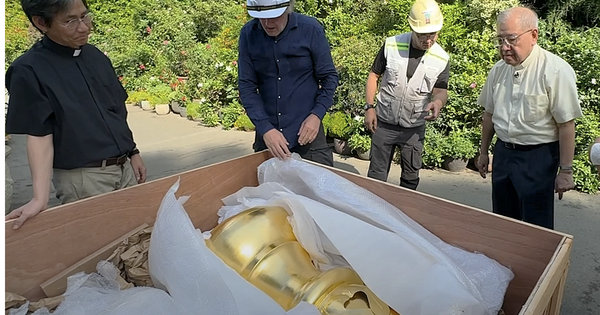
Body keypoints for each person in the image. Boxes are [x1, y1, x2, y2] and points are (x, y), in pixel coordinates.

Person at [5, 0, 147, 230]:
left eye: (85, 16)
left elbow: (115, 110)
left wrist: (133, 152)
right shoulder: (28, 70)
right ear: (41, 23)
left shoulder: (94, 56)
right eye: (70, 21)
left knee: (139, 240)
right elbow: (39, 136)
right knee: (102, 253)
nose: (83, 27)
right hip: (84, 180)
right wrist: (39, 198)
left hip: (124, 169)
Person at [476, 7, 583, 230]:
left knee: (536, 226)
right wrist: (484, 152)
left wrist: (566, 171)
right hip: (504, 153)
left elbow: (566, 125)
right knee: (503, 220)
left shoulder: (555, 71)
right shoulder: (498, 71)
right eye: (500, 39)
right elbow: (489, 115)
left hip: (539, 157)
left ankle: (538, 265)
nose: (504, 47)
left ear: (533, 35)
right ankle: (505, 264)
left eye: (511, 39)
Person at [237, 0, 339, 166]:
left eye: (273, 17)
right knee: (269, 191)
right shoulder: (248, 34)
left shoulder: (311, 29)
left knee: (319, 190)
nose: (267, 23)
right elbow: (246, 87)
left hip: (309, 138)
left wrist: (316, 115)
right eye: (261, 18)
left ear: (287, 9)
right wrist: (266, 130)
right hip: (269, 140)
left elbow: (329, 77)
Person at [364, 0, 450, 190]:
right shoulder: (391, 44)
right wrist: (369, 108)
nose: (428, 39)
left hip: (413, 127)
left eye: (432, 34)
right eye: (422, 35)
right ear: (412, 27)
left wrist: (438, 102)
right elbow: (374, 75)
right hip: (384, 123)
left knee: (411, 179)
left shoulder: (441, 58)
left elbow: (441, 90)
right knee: (376, 176)